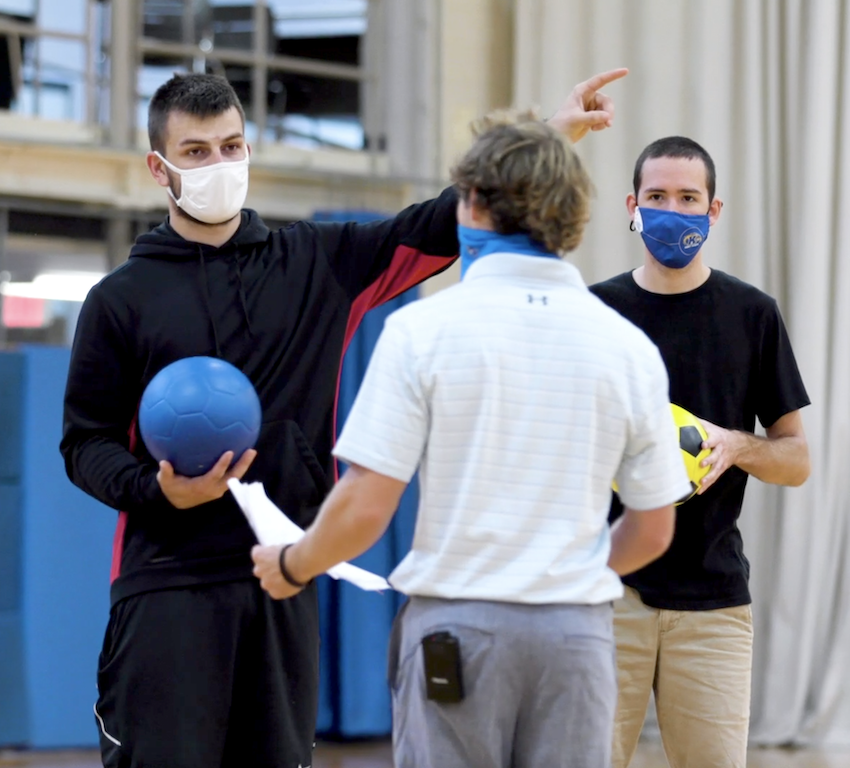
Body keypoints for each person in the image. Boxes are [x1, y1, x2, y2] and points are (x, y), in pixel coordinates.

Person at [60, 69, 628, 768]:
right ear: (159, 167)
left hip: (283, 581)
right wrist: (157, 490)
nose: (220, 165)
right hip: (166, 587)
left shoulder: (317, 264)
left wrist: (551, 134)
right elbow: (83, 444)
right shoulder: (120, 299)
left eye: (231, 146)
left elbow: (441, 221)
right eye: (198, 152)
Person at [252, 109, 692, 768]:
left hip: (460, 630)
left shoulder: (424, 331)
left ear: (474, 203)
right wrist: (560, 579)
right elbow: (654, 530)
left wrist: (293, 565)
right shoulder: (628, 347)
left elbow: (366, 507)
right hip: (578, 636)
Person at [589, 136, 812, 768]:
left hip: (713, 604)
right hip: (606, 595)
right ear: (632, 207)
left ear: (714, 212)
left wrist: (739, 445)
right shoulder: (595, 312)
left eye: (689, 198)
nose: (672, 211)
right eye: (657, 197)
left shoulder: (752, 314)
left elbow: (797, 459)